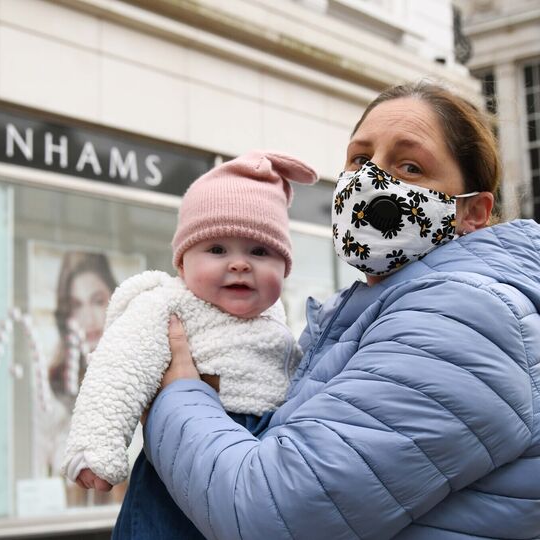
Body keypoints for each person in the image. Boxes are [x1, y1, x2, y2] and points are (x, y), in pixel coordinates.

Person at [130, 81, 540, 539]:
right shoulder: (372, 313)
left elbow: (272, 513)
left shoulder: (464, 319)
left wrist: (176, 396)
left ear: (473, 212)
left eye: (410, 166)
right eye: (361, 160)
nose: (371, 182)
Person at [62, 151, 319, 536]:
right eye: (217, 249)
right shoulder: (167, 305)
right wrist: (96, 447)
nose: (239, 264)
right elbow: (118, 371)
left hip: (258, 465)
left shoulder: (277, 321)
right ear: (182, 264)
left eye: (260, 251)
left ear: (284, 267)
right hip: (176, 476)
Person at [44, 251, 123, 506]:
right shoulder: (54, 384)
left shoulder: (138, 375)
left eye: (97, 301)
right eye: (76, 305)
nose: (88, 318)